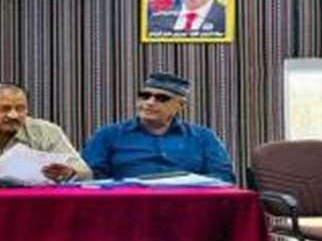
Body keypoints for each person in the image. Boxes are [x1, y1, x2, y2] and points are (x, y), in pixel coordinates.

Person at [81, 72, 235, 182]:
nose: (150, 102)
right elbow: (91, 176)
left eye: (161, 98)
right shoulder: (108, 135)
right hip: (127, 206)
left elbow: (223, 176)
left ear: (180, 105)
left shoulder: (203, 137)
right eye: (145, 96)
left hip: (187, 205)